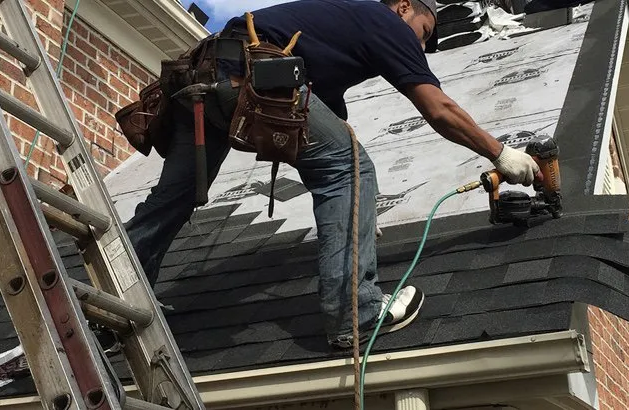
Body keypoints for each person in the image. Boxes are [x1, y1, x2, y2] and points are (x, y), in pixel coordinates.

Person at [123, 0, 541, 350]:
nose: (422, 45)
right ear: (402, 7)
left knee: (172, 198)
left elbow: (327, 138)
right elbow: (438, 110)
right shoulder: (384, 22)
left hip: (203, 78)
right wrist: (500, 153)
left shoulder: (338, 35)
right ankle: (356, 314)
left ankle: (121, 297)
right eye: (423, 30)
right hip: (253, 73)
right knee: (351, 168)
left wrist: (357, 213)